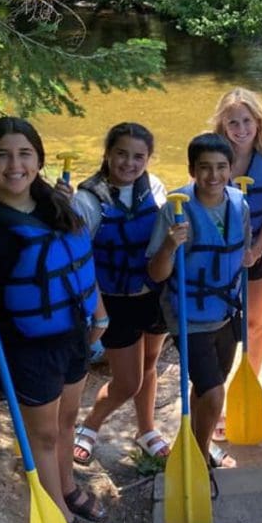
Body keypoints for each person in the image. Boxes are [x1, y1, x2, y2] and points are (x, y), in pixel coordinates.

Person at [0, 117, 106, 523]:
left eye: (24, 154)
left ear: (38, 160)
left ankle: (69, 485)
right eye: (2, 154)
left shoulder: (54, 202)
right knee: (46, 437)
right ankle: (59, 512)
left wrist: (100, 315)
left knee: (69, 420)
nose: (14, 165)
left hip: (72, 334)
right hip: (27, 348)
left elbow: (78, 262)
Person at [146, 133, 252, 470]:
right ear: (192, 169)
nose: (213, 176)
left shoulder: (239, 203)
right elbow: (158, 273)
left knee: (207, 388)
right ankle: (201, 455)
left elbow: (242, 253)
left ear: (231, 169)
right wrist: (169, 246)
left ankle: (194, 442)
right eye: (205, 168)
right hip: (188, 315)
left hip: (226, 311)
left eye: (221, 167)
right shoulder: (175, 209)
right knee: (215, 392)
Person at [68, 122, 171, 466]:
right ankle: (91, 424)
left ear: (148, 158)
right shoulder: (86, 201)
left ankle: (146, 430)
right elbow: (78, 260)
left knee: (151, 364)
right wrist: (97, 311)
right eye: (121, 154)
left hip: (152, 295)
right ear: (108, 154)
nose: (129, 163)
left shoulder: (155, 188)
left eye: (138, 156)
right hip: (114, 299)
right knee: (127, 381)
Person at [211, 88, 262, 375]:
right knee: (221, 320)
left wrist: (255, 250)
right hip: (220, 250)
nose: (241, 129)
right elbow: (203, 204)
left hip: (258, 249)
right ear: (223, 124)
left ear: (257, 121)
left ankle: (249, 382)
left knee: (253, 322)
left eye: (246, 121)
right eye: (233, 123)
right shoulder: (213, 152)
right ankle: (217, 385)